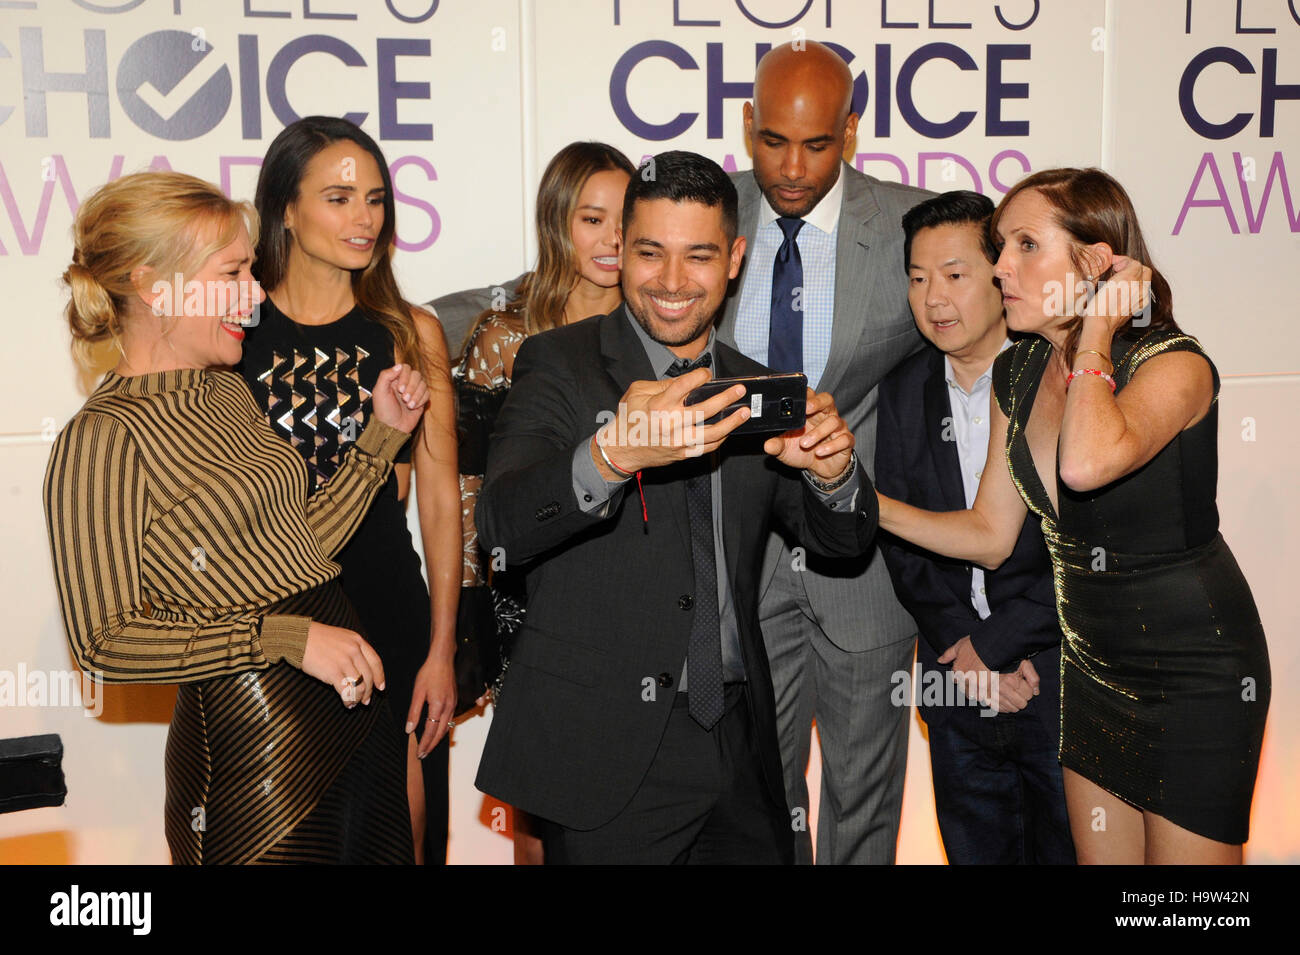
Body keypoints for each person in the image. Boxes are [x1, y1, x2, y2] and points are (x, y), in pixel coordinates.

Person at [473, 150, 877, 864]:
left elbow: (842, 546)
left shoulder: (757, 389)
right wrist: (610, 456)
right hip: (603, 748)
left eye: (699, 256)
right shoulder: (558, 363)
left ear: (735, 259)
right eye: (650, 252)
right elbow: (502, 525)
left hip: (740, 749)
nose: (671, 281)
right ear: (622, 248)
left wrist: (835, 475)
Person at [876, 167, 1271, 864]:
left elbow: (1086, 463)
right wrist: (856, 498)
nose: (1002, 266)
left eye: (1025, 245)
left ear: (1095, 263)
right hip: (1089, 671)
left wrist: (1094, 332)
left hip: (1192, 670)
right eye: (1001, 246)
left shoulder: (1173, 365)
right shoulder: (1019, 372)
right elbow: (990, 536)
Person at [44, 171, 429, 864]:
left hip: (353, 713)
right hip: (256, 749)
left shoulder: (227, 392)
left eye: (250, 270)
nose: (254, 295)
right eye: (233, 273)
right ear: (156, 286)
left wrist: (380, 439)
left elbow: (299, 548)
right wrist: (281, 636)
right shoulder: (101, 438)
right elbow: (105, 640)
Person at [716, 39, 932, 864]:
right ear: (747, 124)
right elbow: (576, 276)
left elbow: (994, 331)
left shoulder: (912, 226)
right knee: (758, 802)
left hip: (863, 567)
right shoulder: (708, 214)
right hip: (742, 559)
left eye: (816, 143)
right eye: (773, 141)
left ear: (850, 130)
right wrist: (407, 322)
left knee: (863, 806)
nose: (793, 168)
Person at [236, 116, 460, 865]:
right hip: (275, 619)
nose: (364, 217)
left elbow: (439, 503)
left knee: (406, 837)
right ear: (285, 209)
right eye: (338, 198)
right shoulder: (233, 335)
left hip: (387, 605)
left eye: (374, 199)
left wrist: (441, 649)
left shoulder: (409, 332)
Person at [875, 190, 1074, 864]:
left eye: (954, 275)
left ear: (1000, 275)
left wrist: (998, 645)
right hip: (955, 679)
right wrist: (966, 650)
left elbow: (1083, 546)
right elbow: (902, 541)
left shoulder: (1057, 380)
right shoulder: (902, 387)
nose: (934, 298)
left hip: (1053, 673)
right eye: (917, 278)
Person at [452, 141, 633, 864]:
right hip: (525, 594)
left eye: (625, 218)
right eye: (592, 218)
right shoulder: (506, 332)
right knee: (535, 816)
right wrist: (468, 604)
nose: (612, 238)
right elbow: (471, 484)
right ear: (558, 222)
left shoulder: (660, 326)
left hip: (635, 588)